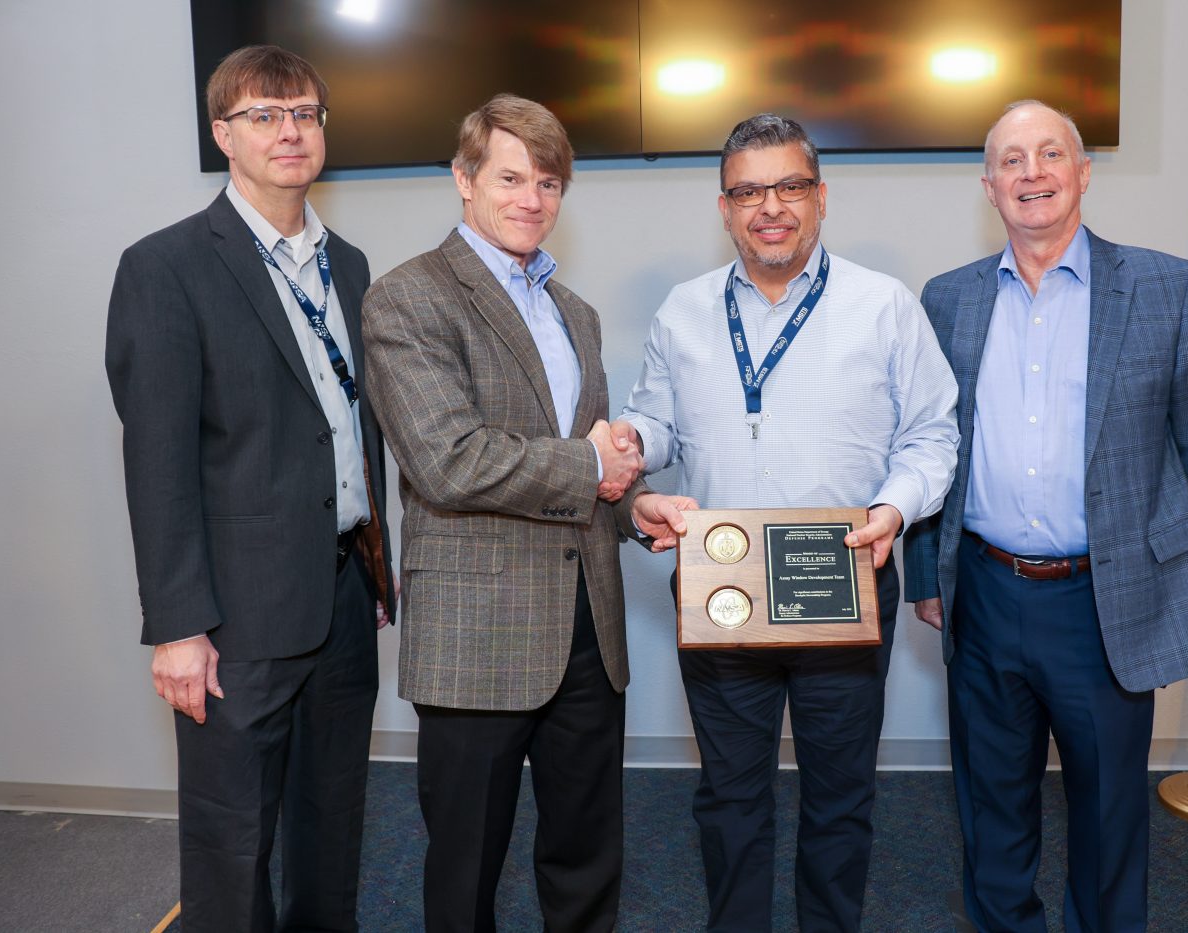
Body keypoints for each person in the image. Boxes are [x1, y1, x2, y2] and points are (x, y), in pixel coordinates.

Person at [617, 113, 960, 931]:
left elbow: (933, 432)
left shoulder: (884, 306)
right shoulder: (684, 310)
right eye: (747, 191)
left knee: (841, 801)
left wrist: (895, 508)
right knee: (729, 799)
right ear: (725, 207)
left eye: (789, 186)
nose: (769, 206)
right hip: (722, 590)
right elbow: (655, 426)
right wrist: (632, 473)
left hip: (843, 581)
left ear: (821, 197)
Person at [361, 93, 692, 932]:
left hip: (590, 624)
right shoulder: (408, 298)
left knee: (586, 854)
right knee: (466, 864)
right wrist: (594, 463)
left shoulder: (572, 311)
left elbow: (595, 468)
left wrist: (636, 503)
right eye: (511, 177)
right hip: (479, 631)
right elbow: (448, 460)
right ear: (463, 180)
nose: (531, 199)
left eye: (548, 182)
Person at [904, 100, 1188, 932]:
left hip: (1106, 601)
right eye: (1012, 161)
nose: (1033, 174)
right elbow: (923, 444)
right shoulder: (946, 301)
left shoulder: (1166, 287)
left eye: (1050, 154)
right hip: (981, 595)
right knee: (991, 807)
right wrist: (925, 574)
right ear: (989, 187)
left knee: (1108, 815)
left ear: (1083, 174)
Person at [105, 45, 394, 932]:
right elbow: (157, 461)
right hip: (234, 615)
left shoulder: (348, 263)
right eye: (265, 116)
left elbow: (347, 426)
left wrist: (377, 563)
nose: (290, 132)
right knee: (234, 842)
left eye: (305, 113)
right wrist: (179, 626)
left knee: (332, 822)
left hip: (345, 595)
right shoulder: (167, 266)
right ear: (224, 133)